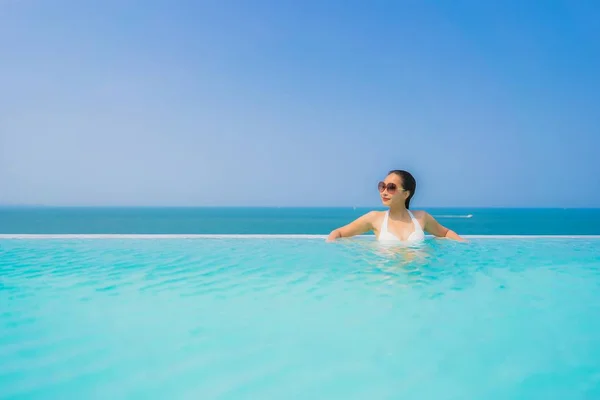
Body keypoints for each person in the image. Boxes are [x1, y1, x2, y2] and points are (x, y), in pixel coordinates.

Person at [326, 170, 465, 243]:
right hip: (388, 284)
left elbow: (446, 233)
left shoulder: (422, 217)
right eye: (382, 186)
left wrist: (465, 244)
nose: (384, 192)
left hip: (419, 281)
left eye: (391, 188)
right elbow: (338, 233)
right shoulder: (374, 218)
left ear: (406, 194)